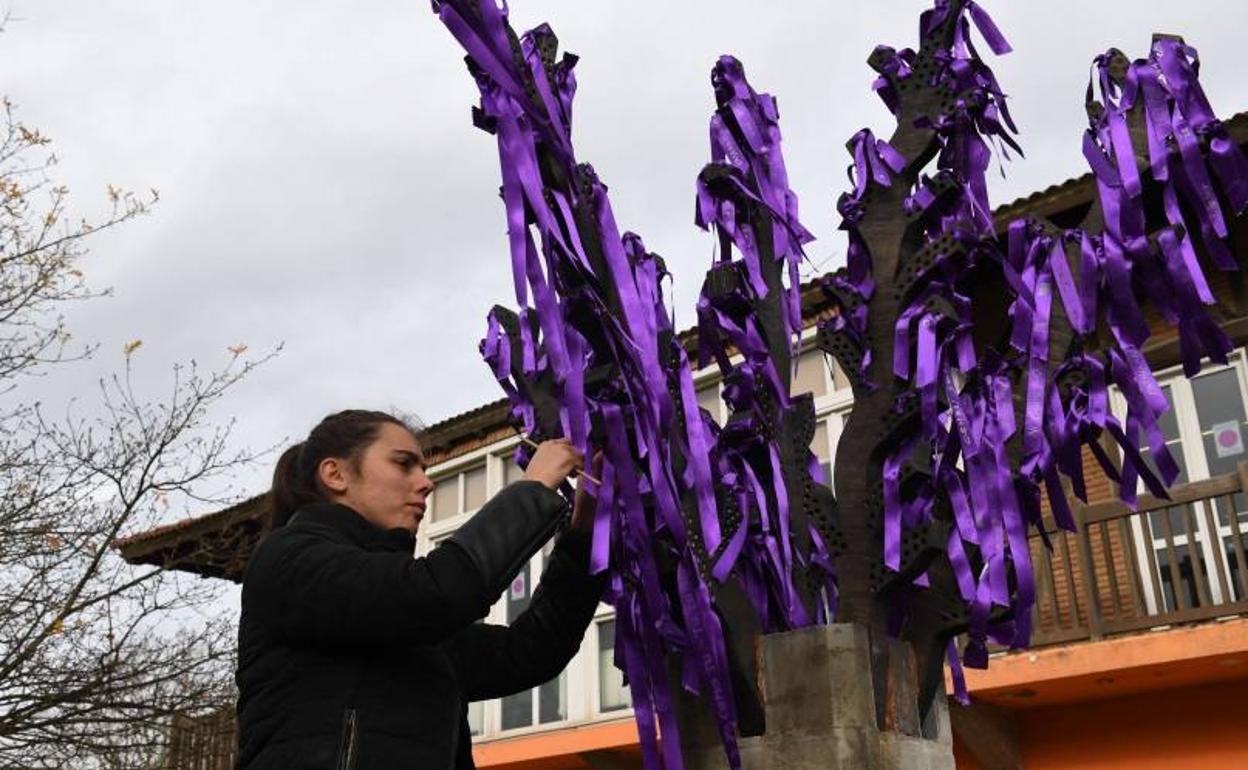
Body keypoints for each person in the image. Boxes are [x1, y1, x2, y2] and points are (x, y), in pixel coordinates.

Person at [235, 409, 606, 770]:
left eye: (424, 469)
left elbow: (530, 650)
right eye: (403, 464)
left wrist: (584, 536)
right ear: (335, 474)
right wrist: (532, 489)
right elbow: (437, 593)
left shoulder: (412, 623)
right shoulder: (288, 558)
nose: (425, 483)